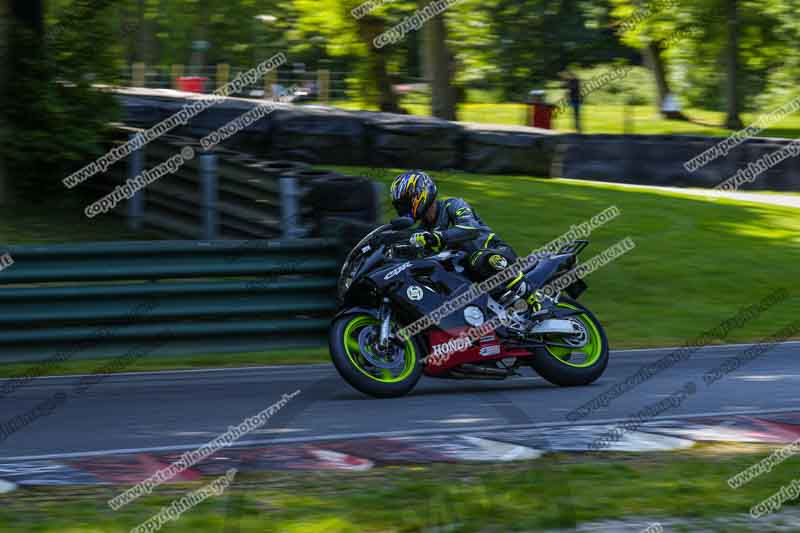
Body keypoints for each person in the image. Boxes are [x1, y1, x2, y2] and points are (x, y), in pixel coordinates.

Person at [390, 170, 537, 310]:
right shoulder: (423, 230)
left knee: (479, 259)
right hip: (470, 275)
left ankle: (532, 297)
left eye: (405, 203)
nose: (403, 210)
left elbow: (471, 228)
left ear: (420, 194)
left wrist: (439, 237)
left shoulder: (453, 205)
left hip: (496, 253)